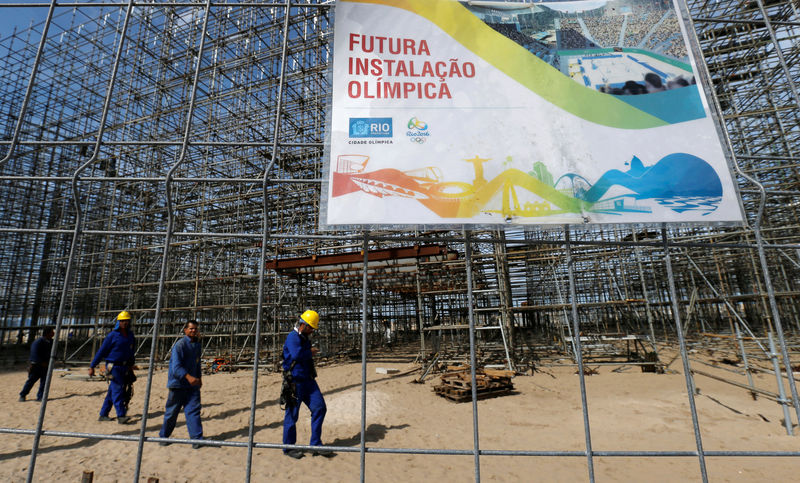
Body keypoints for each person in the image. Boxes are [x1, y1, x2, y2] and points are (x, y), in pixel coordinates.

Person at [282, 309, 332, 459]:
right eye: (311, 328)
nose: (312, 331)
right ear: (303, 324)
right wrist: (310, 352)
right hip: (295, 382)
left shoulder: (304, 338)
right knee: (292, 415)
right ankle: (288, 447)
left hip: (308, 381)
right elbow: (297, 354)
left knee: (320, 408)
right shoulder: (292, 337)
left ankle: (315, 444)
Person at [159, 320, 204, 448]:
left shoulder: (197, 346)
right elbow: (176, 367)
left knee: (193, 410)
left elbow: (197, 363)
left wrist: (199, 378)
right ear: (185, 330)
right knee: (172, 412)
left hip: (192, 385)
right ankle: (164, 436)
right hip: (178, 384)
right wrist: (188, 377)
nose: (193, 331)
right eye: (191, 329)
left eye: (195, 329)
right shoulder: (180, 345)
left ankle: (197, 439)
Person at [89, 311, 136, 424]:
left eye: (127, 321)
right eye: (122, 321)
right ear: (118, 322)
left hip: (124, 367)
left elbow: (131, 351)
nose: (125, 323)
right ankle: (121, 416)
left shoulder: (130, 336)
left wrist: (131, 365)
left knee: (113, 391)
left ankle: (103, 414)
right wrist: (92, 366)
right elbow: (101, 351)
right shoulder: (112, 336)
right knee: (118, 390)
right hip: (113, 367)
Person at [19, 327, 55, 402]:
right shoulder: (38, 342)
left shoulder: (51, 342)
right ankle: (23, 395)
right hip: (36, 365)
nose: (53, 333)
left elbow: (53, 353)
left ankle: (41, 397)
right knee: (31, 381)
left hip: (46, 366)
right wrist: (41, 363)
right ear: (48, 333)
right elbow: (34, 354)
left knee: (44, 382)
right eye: (52, 331)